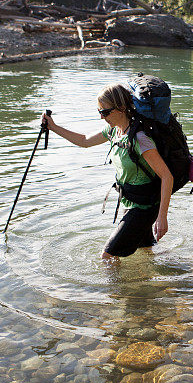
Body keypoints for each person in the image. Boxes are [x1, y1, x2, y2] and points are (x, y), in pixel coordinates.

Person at [41, 83, 173, 262]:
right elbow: (84, 141)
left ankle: (116, 291)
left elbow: (166, 176)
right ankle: (154, 285)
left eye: (105, 112)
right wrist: (54, 127)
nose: (102, 117)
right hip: (131, 201)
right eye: (99, 112)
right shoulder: (113, 131)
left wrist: (162, 217)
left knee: (107, 256)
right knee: (145, 251)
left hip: (144, 207)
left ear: (121, 108)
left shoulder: (140, 139)